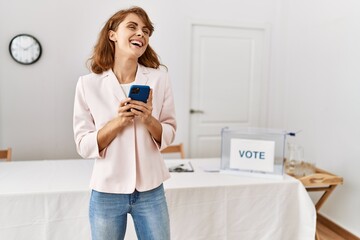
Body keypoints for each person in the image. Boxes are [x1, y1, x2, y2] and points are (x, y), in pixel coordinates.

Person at [73, 6, 176, 240]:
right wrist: (118, 122)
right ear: (112, 35)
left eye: (146, 31)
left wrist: (148, 119)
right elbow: (83, 144)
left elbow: (169, 132)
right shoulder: (88, 84)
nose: (141, 33)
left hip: (151, 190)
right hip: (106, 190)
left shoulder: (160, 79)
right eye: (132, 27)